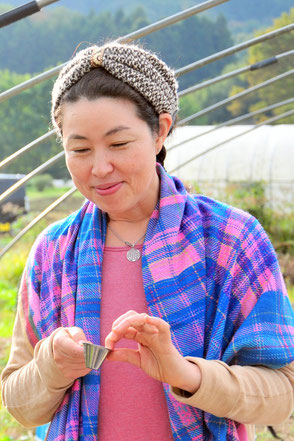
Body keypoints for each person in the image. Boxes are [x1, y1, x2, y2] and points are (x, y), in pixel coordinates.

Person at [1, 41, 294, 441]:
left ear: (160, 131)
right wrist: (51, 365)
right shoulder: (53, 252)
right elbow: (19, 404)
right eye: (80, 149)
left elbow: (282, 392)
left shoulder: (231, 240)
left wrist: (186, 374)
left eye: (119, 144)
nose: (100, 168)